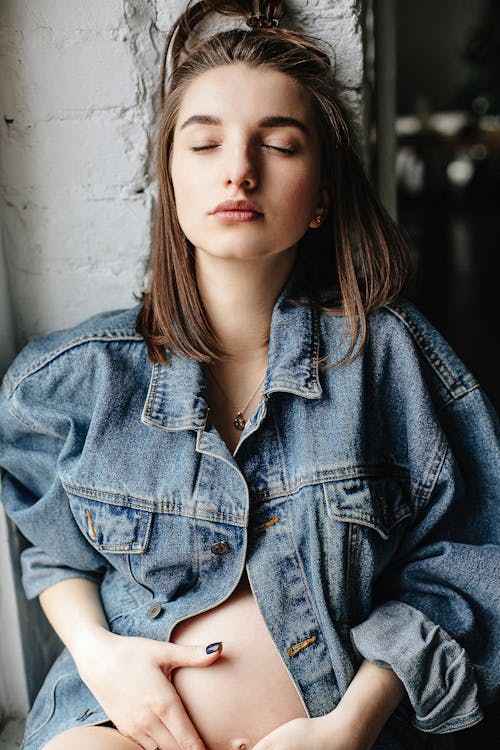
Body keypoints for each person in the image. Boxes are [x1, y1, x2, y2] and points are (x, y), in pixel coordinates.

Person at [0, 2, 498, 749]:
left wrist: (348, 729)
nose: (239, 169)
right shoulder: (79, 377)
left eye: (280, 144)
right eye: (204, 145)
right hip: (120, 727)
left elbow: (464, 567)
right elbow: (51, 548)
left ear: (323, 195)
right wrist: (101, 658)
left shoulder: (390, 359)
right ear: (169, 178)